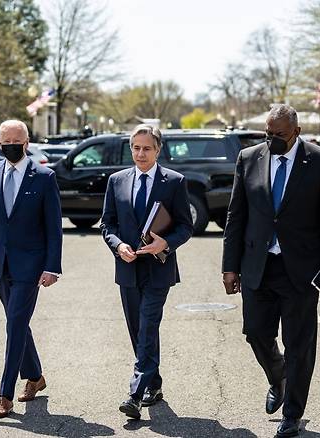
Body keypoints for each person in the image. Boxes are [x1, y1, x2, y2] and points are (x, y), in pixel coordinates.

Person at [222, 104, 320, 438]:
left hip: (301, 269)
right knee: (256, 333)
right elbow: (236, 215)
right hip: (257, 266)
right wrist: (229, 266)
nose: (271, 139)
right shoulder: (249, 158)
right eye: (267, 132)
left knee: (299, 345)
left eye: (278, 134)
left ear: (297, 131)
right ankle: (278, 375)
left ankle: (292, 414)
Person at [0, 120, 63, 418]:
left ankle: (4, 395)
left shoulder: (44, 177)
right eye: (5, 141)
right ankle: (35, 376)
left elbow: (54, 228)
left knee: (14, 324)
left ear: (27, 142)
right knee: (16, 321)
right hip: (0, 262)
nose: (11, 145)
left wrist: (52, 267)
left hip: (31, 265)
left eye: (16, 141)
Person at [100, 124, 193, 420]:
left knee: (148, 325)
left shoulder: (174, 182)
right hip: (127, 268)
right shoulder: (117, 181)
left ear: (158, 150)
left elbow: (185, 226)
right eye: (136, 148)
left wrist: (166, 242)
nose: (141, 153)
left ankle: (135, 394)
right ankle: (154, 384)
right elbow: (107, 224)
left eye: (147, 148)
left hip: (158, 268)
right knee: (138, 330)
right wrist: (118, 246)